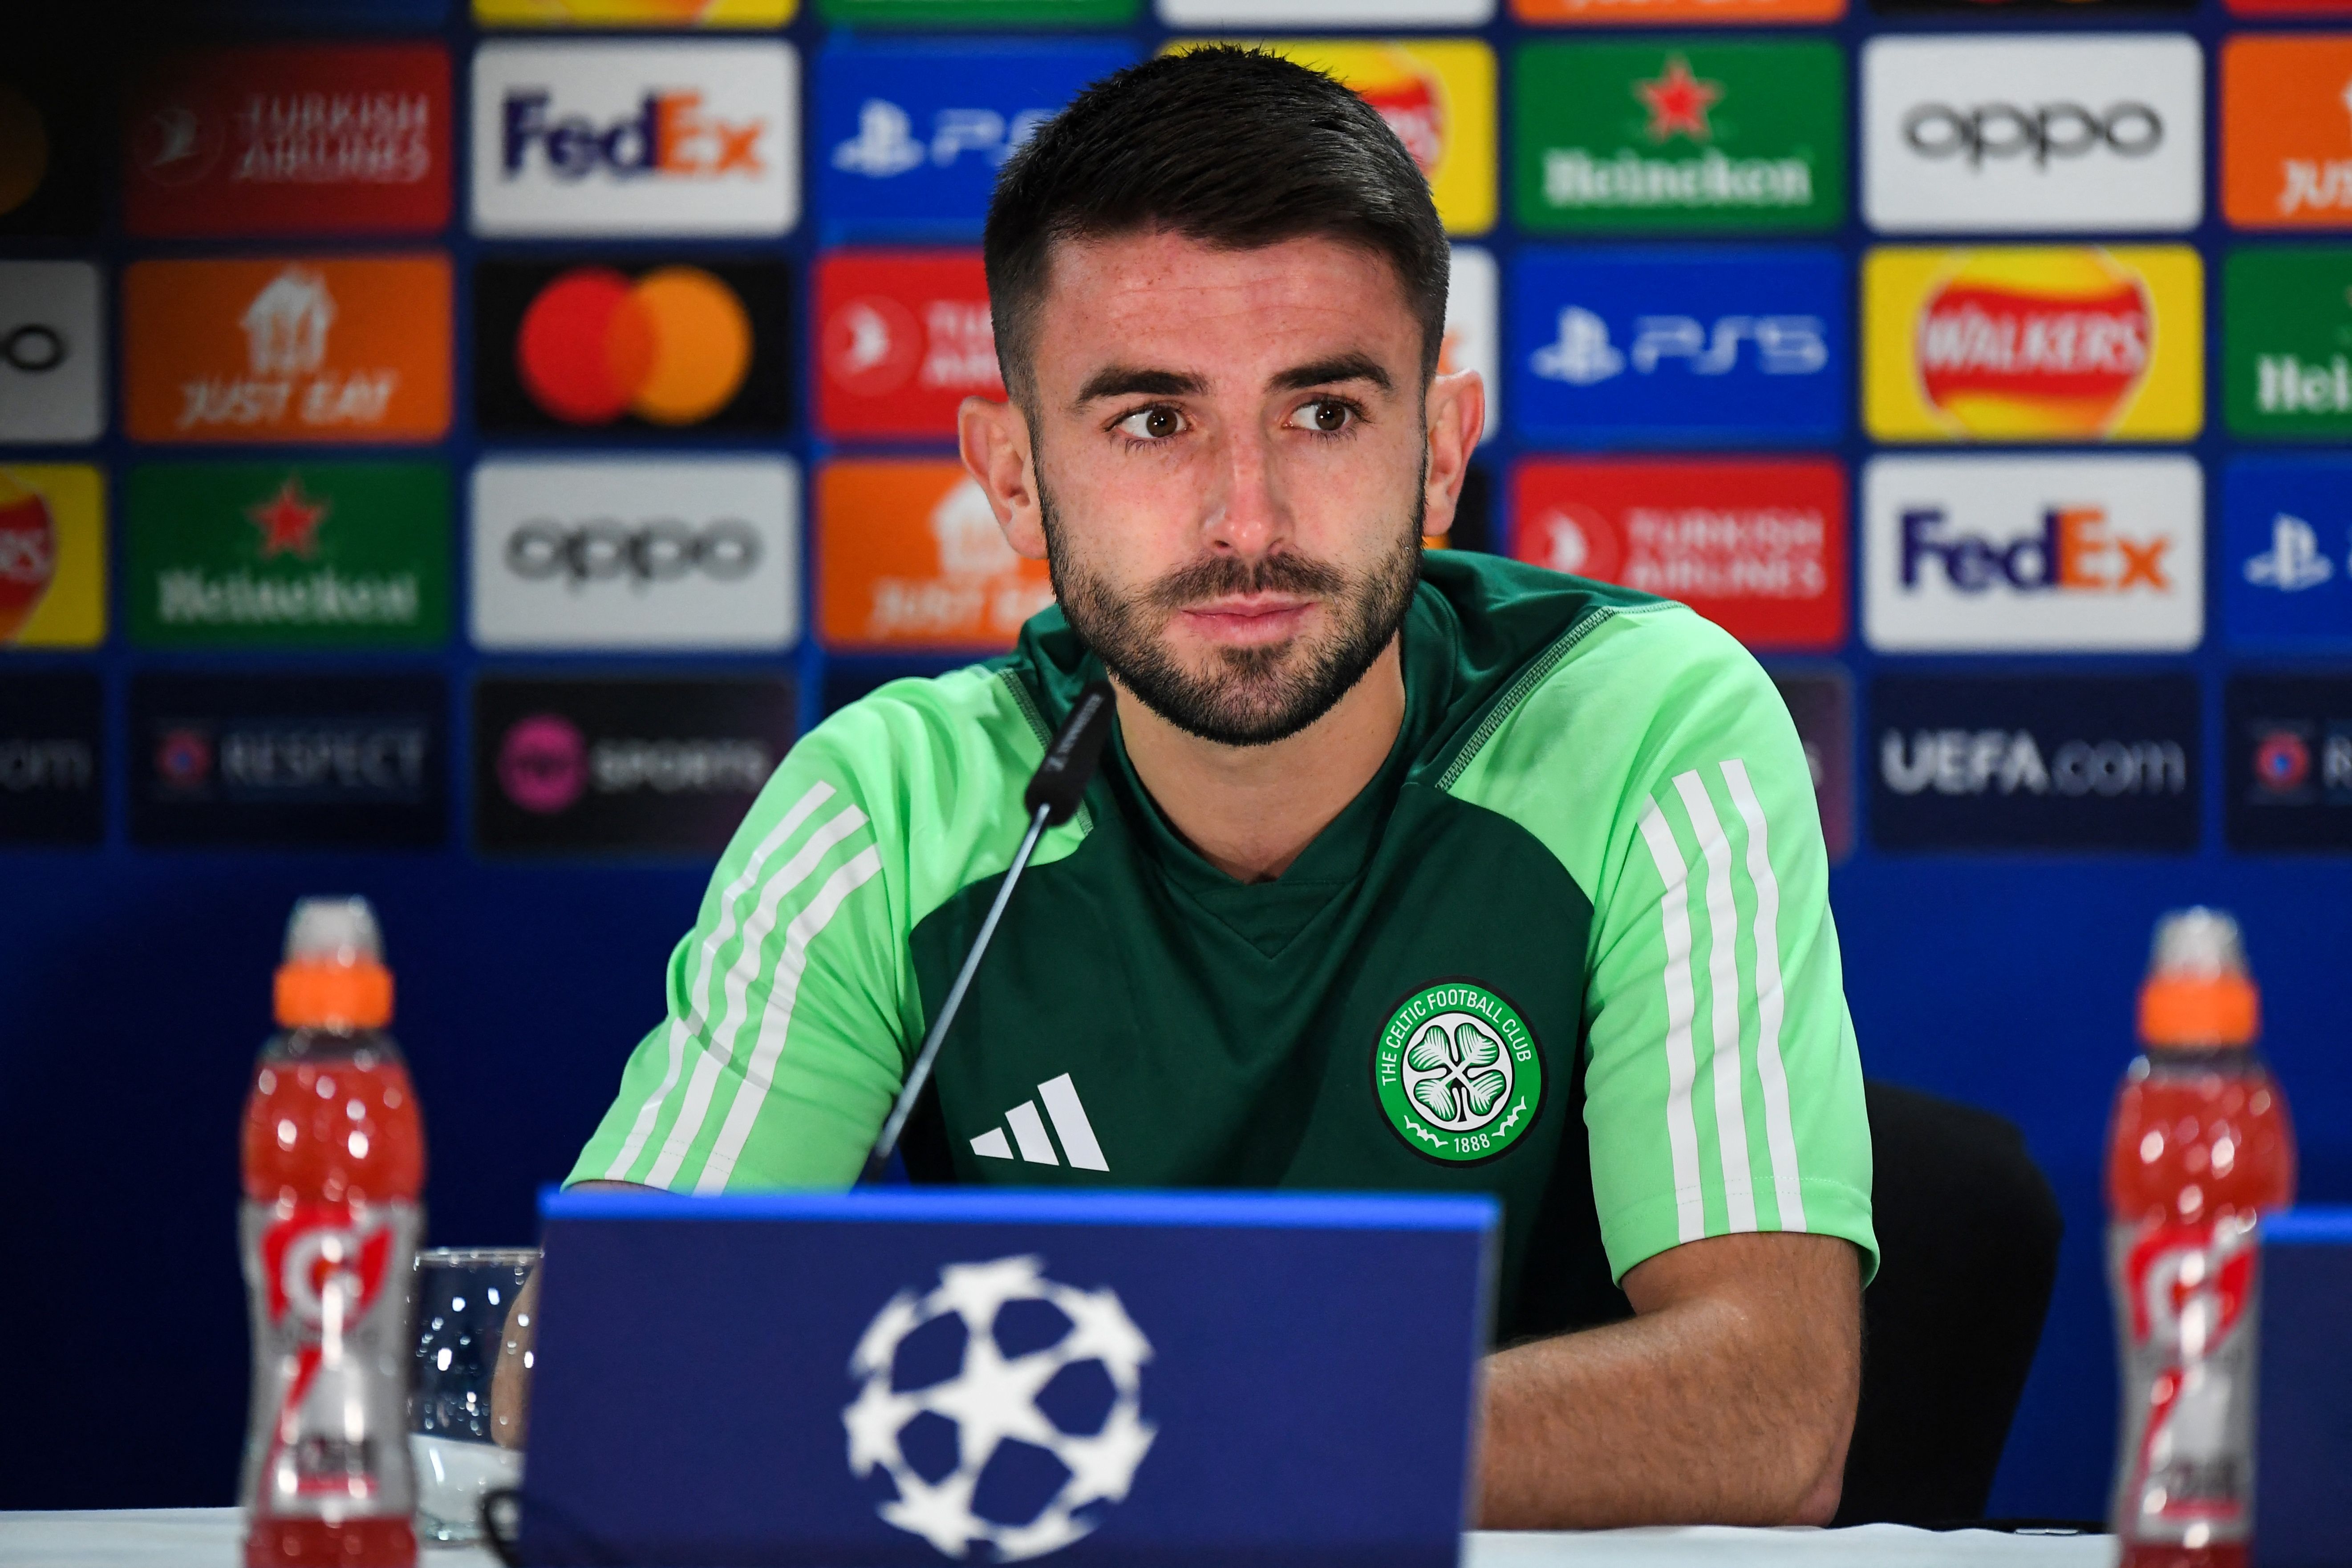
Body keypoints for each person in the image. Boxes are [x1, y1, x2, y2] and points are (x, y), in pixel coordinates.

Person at [553, 47, 1876, 1527]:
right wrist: (1228, 1433)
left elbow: (1771, 1408)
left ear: (1439, 453)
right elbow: (598, 1356)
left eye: (1324, 413)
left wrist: (1115, 1423)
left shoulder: (1639, 724)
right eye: (1151, 420)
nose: (1247, 520)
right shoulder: (890, 805)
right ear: (1012, 476)